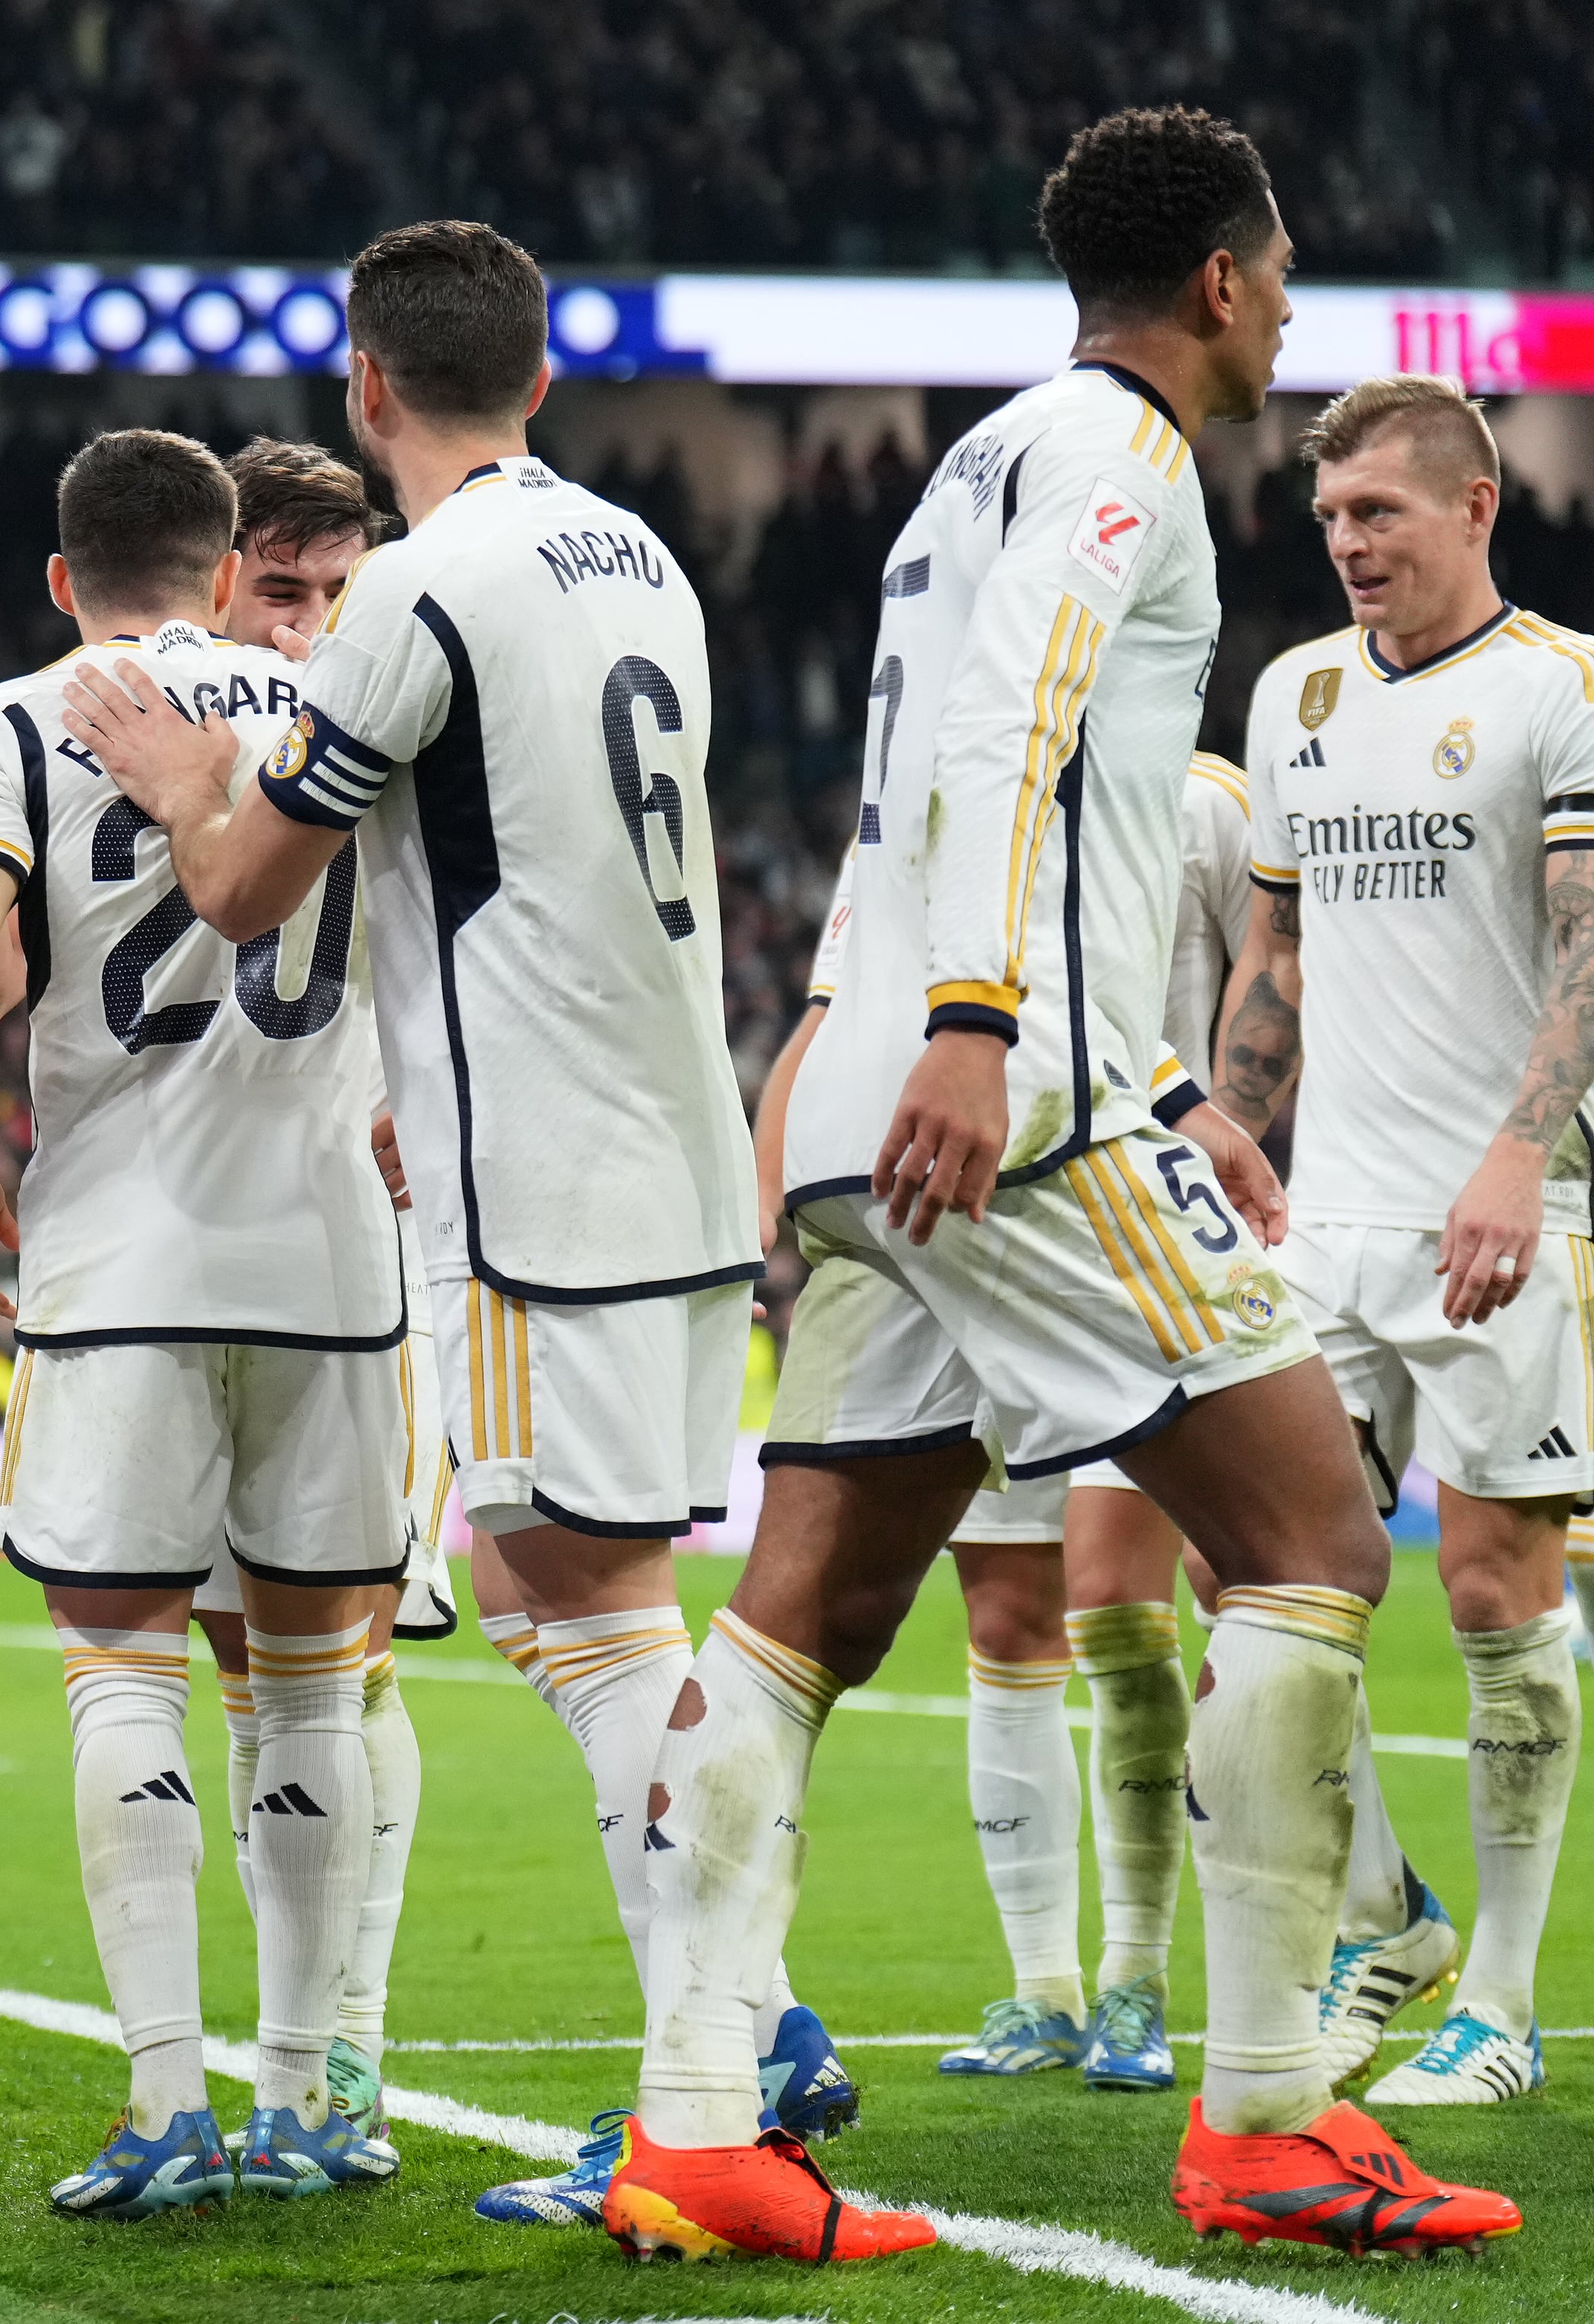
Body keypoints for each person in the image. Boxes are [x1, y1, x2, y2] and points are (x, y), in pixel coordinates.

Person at [608, 108, 1509, 2261]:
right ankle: (1276, 2105)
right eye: (1281, 275)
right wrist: (986, 1022)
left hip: (887, 1087)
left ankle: (695, 2119)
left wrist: (865, 1046)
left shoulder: (970, 463)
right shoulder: (1126, 455)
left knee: (809, 1609)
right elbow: (1013, 724)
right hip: (1006, 1098)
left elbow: (910, 777)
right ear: (1217, 280)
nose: (1289, 313)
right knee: (1309, 1538)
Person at [60, 223, 853, 2236]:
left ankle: (729, 2046)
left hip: (528, 1170)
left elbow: (246, 885)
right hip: (679, 1145)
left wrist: (174, 771)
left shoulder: (427, 583)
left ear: (365, 390)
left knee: (573, 1614)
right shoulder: (638, 552)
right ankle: (728, 2037)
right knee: (578, 1598)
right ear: (550, 381)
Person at [0, 428, 405, 2217]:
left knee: (119, 1664)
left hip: (118, 1258)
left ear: (62, 578)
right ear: (224, 570)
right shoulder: (336, 706)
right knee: (308, 1687)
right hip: (338, 1264)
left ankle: (164, 2107)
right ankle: (310, 2102)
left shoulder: (11, 718)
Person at [751, 750, 1248, 2097]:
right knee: (1007, 1622)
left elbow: (1266, 997)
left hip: (1122, 1232)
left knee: (1116, 1610)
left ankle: (1140, 1977)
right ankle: (1043, 1983)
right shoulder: (913, 803)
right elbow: (830, 1012)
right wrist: (774, 1198)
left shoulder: (1194, 797)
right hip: (959, 1240)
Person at [1212, 372, 1594, 2107]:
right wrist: (1230, 1120)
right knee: (1251, 1569)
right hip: (1331, 1216)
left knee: (1498, 1587)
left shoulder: (1560, 689)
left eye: (1377, 513)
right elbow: (1275, 958)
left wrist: (1520, 1160)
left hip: (1513, 1213)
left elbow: (1588, 950)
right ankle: (1388, 1916)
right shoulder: (1291, 695)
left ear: (1472, 508)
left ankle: (1498, 2006)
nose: (1348, 545)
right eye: (1330, 520)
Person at [184, 437, 441, 2148]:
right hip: (178, 1246)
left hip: (359, 1246)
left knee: (340, 1664)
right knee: (234, 1663)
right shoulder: (132, 733)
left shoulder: (409, 737)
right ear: (214, 586)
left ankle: (341, 2047)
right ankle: (297, 2037)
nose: (313, 625)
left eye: (340, 593)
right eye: (282, 589)